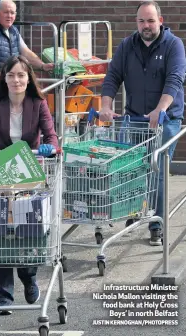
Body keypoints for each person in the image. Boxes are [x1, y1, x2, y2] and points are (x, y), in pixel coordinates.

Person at [0, 55, 58, 314]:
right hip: (0, 171)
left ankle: (28, 276)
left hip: (29, 171)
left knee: (27, 228)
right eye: (11, 75)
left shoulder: (38, 104)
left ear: (29, 79)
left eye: (21, 75)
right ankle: (3, 294)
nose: (16, 80)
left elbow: (51, 134)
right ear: (4, 79)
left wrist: (50, 147)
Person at [99, 1, 186, 246]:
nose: (146, 26)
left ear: (160, 19)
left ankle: (156, 224)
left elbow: (175, 78)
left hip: (166, 120)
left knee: (156, 169)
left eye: (150, 20)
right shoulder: (127, 45)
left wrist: (161, 109)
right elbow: (113, 76)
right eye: (141, 21)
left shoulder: (173, 45)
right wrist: (106, 105)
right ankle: (138, 211)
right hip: (135, 118)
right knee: (135, 169)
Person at [0, 0, 54, 111]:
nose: (9, 16)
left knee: (6, 122)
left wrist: (42, 65)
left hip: (7, 86)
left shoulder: (13, 30)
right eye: (6, 12)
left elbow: (26, 52)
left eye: (12, 13)